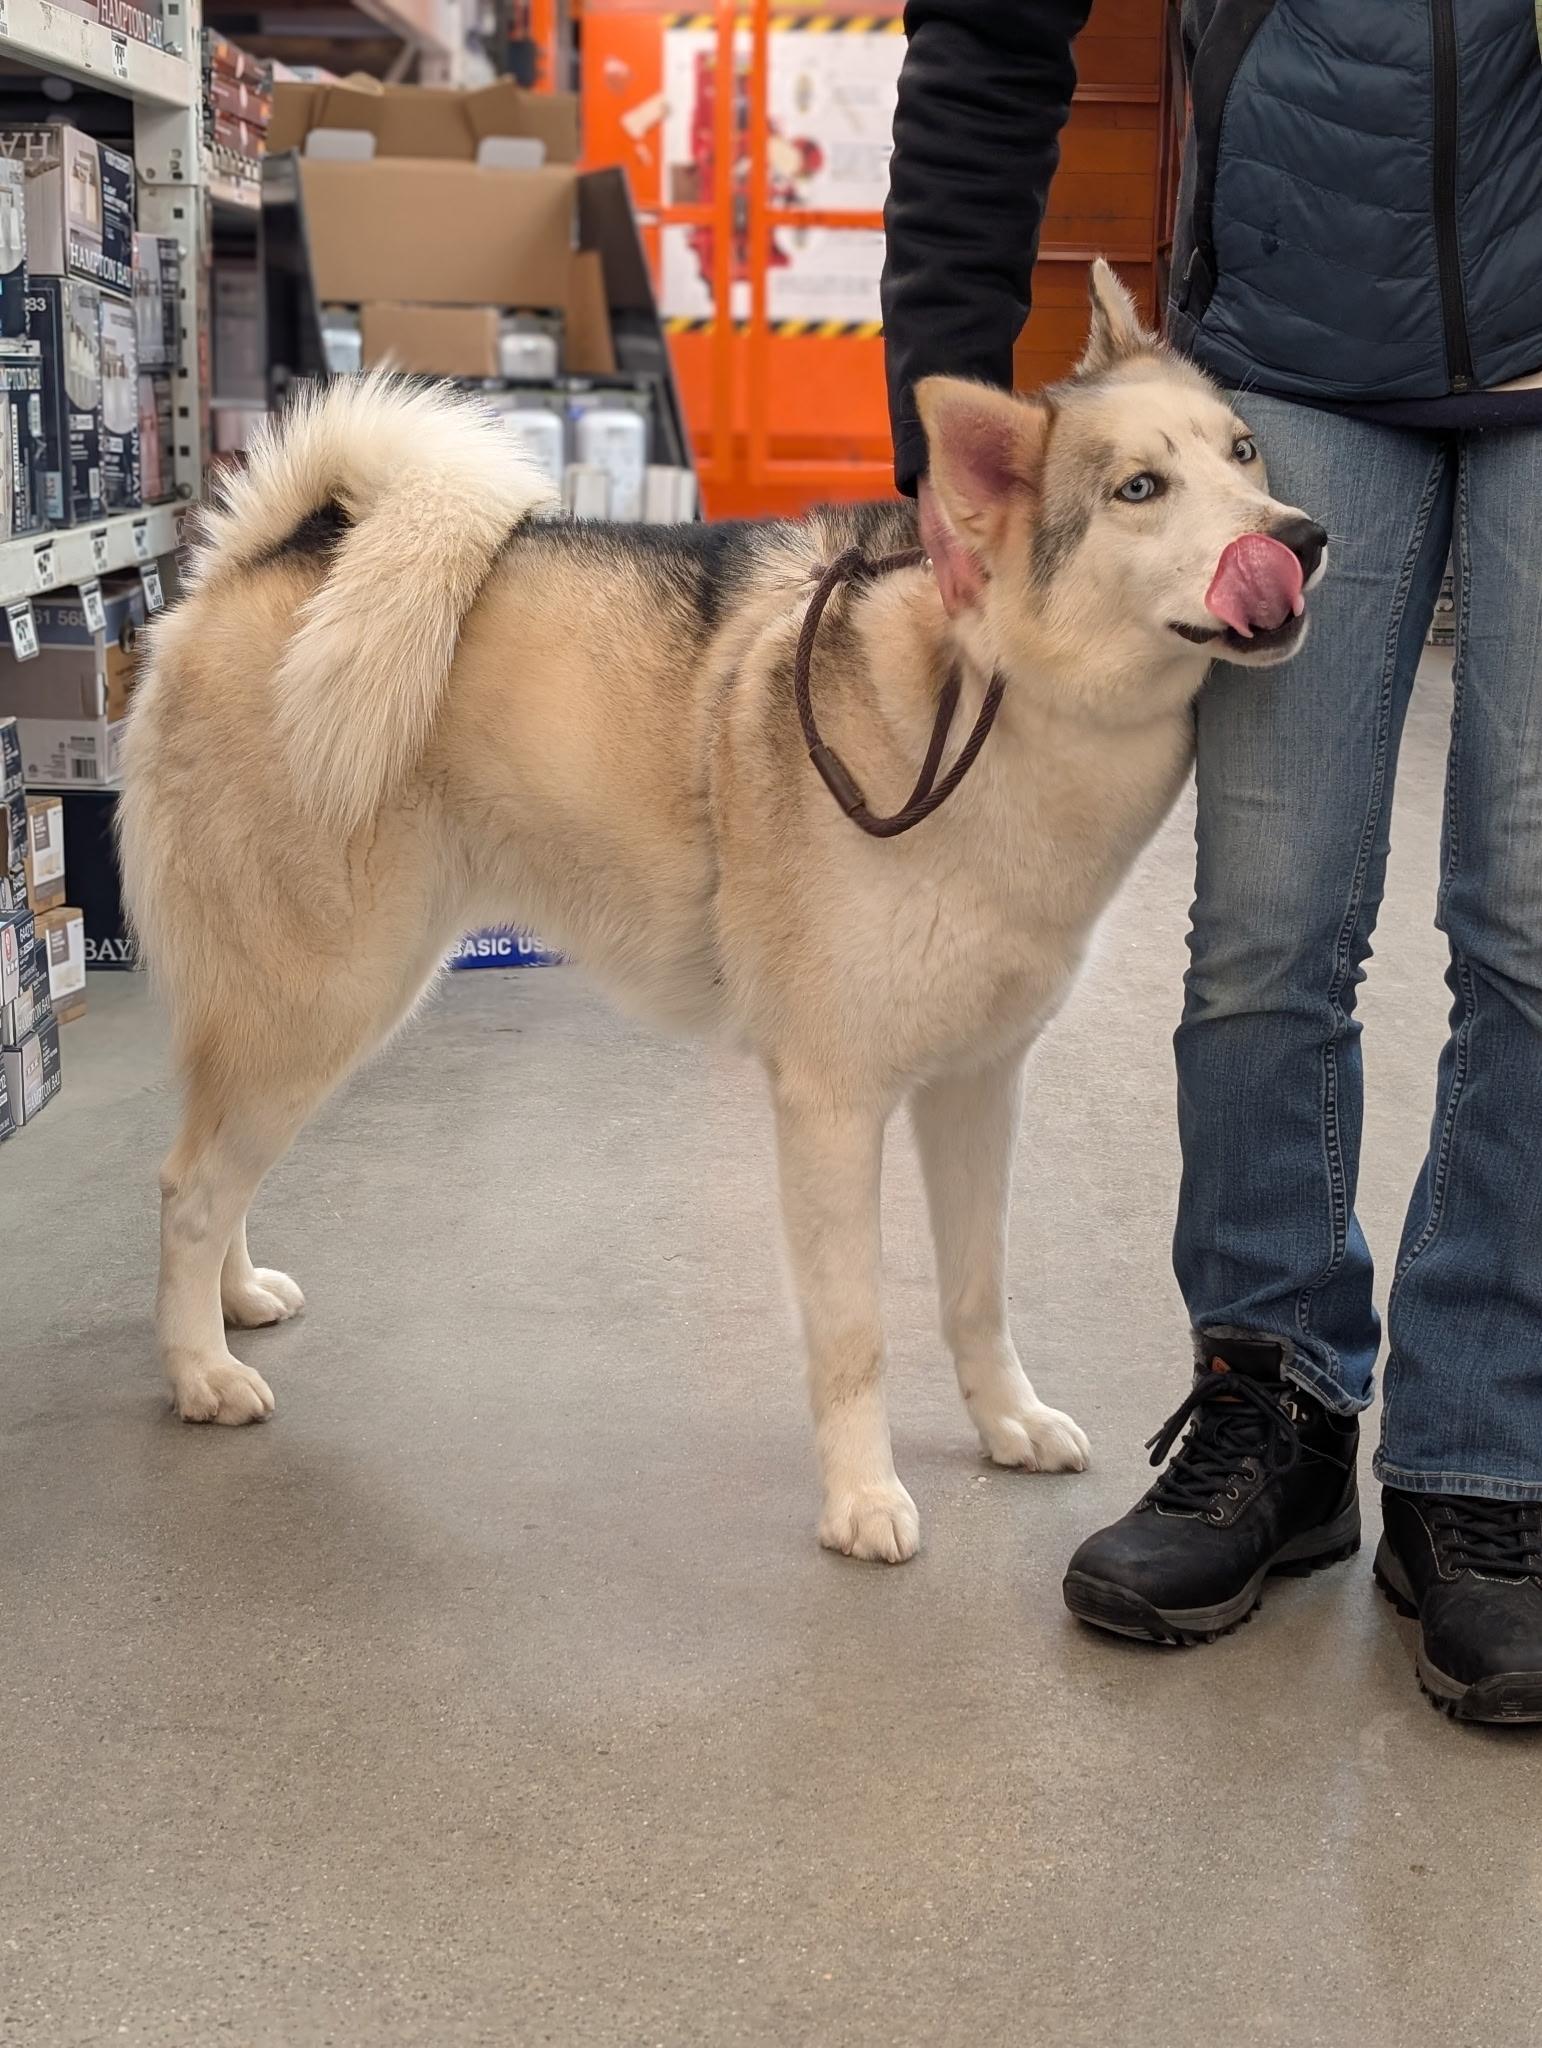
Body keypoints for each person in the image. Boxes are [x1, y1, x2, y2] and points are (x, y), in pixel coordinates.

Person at [881, 0, 1542, 1724]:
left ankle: (1483, 1462)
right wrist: (939, 432)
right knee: (1266, 922)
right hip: (1303, 348)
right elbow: (989, 37)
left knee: (1537, 927)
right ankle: (1272, 1404)